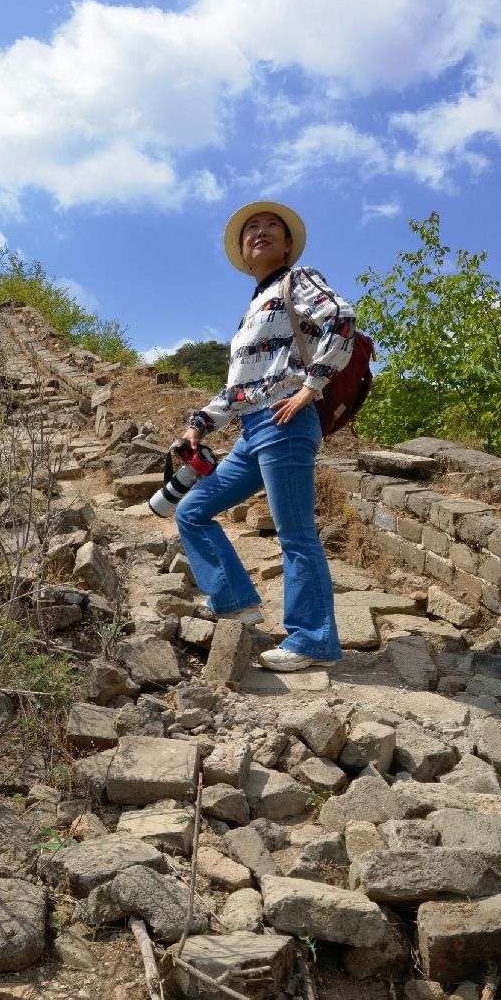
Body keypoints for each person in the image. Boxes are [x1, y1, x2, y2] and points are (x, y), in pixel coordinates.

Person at [173, 200, 355, 672]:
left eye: (272, 226)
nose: (260, 231)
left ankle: (313, 641)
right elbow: (238, 389)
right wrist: (200, 422)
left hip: (287, 421)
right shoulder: (252, 310)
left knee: (295, 533)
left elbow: (340, 318)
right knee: (192, 510)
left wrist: (311, 386)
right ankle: (235, 601)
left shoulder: (301, 279)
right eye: (251, 228)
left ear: (288, 244)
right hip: (252, 431)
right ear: (241, 250)